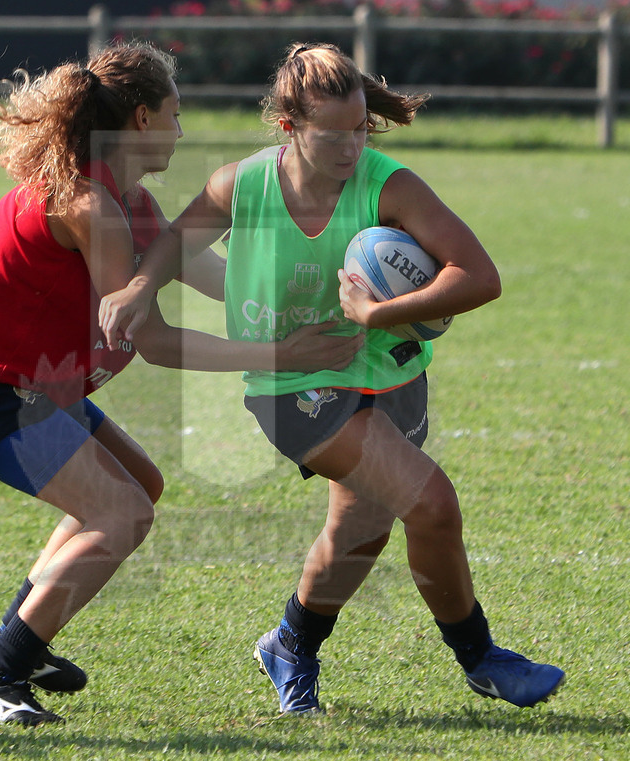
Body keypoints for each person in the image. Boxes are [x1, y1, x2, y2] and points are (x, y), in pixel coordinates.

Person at [97, 42, 565, 715]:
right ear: (289, 128)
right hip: (292, 386)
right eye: (332, 134)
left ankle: (290, 644)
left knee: (361, 529)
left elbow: (479, 275)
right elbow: (175, 239)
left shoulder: (388, 184)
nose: (351, 147)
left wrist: (385, 310)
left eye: (359, 129)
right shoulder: (244, 185)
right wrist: (142, 285)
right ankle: (481, 656)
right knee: (432, 503)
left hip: (390, 372)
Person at [0, 42, 362, 726]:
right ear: (143, 120)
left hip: (24, 384)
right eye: (176, 114)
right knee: (122, 513)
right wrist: (279, 352)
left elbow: (225, 279)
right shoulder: (91, 203)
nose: (182, 130)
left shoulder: (127, 200)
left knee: (137, 485)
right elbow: (153, 343)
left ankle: (12, 638)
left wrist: (329, 289)